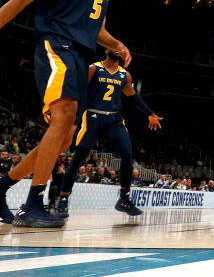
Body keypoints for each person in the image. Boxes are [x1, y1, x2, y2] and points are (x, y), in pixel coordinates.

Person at [0, 0, 131, 228]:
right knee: (65, 114)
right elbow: (19, 1)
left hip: (82, 56)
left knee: (67, 134)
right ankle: (33, 204)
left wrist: (117, 45)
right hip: (56, 45)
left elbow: (97, 31)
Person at [53, 50, 163, 219]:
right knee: (78, 158)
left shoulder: (124, 75)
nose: (116, 49)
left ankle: (124, 199)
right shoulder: (93, 68)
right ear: (106, 50)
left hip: (114, 119)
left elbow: (133, 97)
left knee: (127, 154)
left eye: (120, 48)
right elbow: (80, 93)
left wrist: (149, 113)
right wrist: (73, 119)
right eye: (113, 46)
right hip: (92, 115)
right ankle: (62, 199)